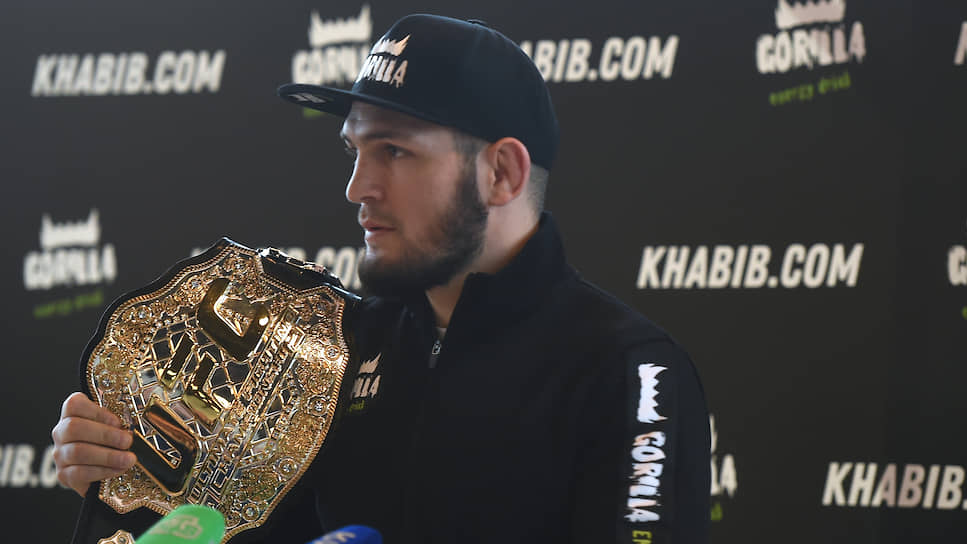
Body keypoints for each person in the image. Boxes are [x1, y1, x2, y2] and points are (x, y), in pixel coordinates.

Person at [52, 14, 710, 544]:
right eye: (355, 150)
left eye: (395, 151)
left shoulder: (627, 369)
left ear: (502, 174)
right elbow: (226, 529)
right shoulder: (331, 350)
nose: (357, 187)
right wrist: (123, 475)